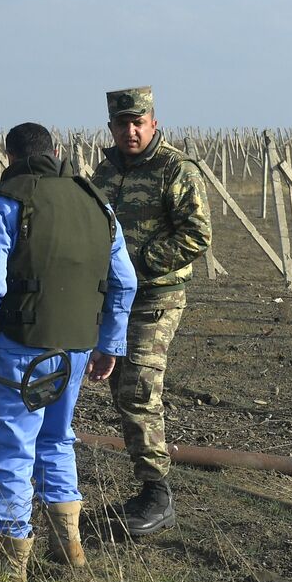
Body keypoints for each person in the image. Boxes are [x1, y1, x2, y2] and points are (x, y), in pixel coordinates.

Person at [0, 123, 136, 582]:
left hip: (21, 347)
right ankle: (69, 545)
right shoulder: (99, 204)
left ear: (9, 157)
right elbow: (125, 282)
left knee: (13, 447)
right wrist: (110, 343)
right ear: (56, 152)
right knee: (58, 438)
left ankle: (10, 557)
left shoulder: (4, 202)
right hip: (77, 347)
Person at [88, 87, 212, 537]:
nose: (130, 130)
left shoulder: (175, 169)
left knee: (139, 387)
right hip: (113, 300)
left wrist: (134, 262)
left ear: (153, 123)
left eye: (138, 122)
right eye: (122, 124)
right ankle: (146, 488)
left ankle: (158, 495)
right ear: (112, 128)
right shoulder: (103, 174)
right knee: (121, 388)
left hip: (156, 297)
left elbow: (196, 236)